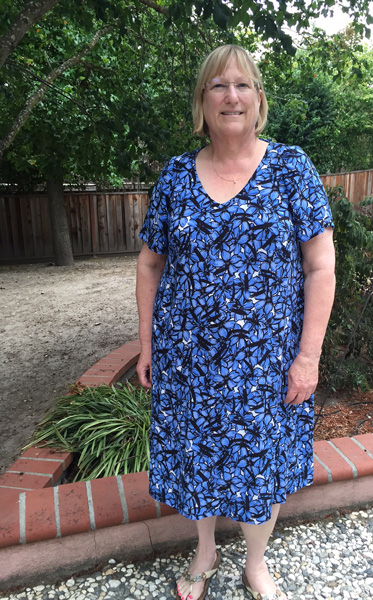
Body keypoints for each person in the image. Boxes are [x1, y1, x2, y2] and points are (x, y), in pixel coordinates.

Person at [136, 44, 335, 600]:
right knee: (195, 459)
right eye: (218, 85)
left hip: (266, 364)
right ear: (202, 101)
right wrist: (148, 346)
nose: (231, 96)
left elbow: (321, 265)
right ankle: (204, 551)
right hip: (189, 362)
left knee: (261, 466)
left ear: (259, 99)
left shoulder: (291, 168)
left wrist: (309, 356)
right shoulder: (176, 176)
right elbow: (149, 264)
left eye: (243, 84)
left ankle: (256, 561)